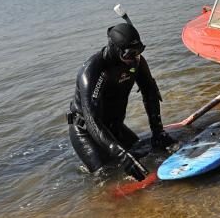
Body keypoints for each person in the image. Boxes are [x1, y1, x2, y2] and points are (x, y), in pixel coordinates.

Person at [67, 22, 176, 180]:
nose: (134, 59)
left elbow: (150, 93)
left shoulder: (136, 61)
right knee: (107, 176)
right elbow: (93, 121)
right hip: (86, 131)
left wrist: (158, 131)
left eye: (139, 52)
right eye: (129, 54)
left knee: (144, 154)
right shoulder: (92, 71)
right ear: (114, 48)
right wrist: (120, 153)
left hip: (115, 126)